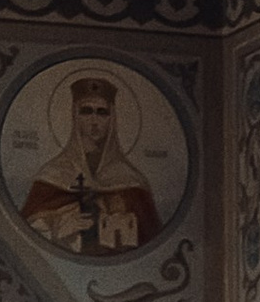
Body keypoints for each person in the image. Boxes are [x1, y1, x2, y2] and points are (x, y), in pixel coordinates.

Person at [19, 76, 162, 256]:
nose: (94, 120)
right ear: (75, 116)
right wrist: (58, 227)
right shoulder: (53, 173)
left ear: (112, 118)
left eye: (102, 112)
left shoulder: (132, 180)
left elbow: (154, 243)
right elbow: (23, 236)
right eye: (86, 111)